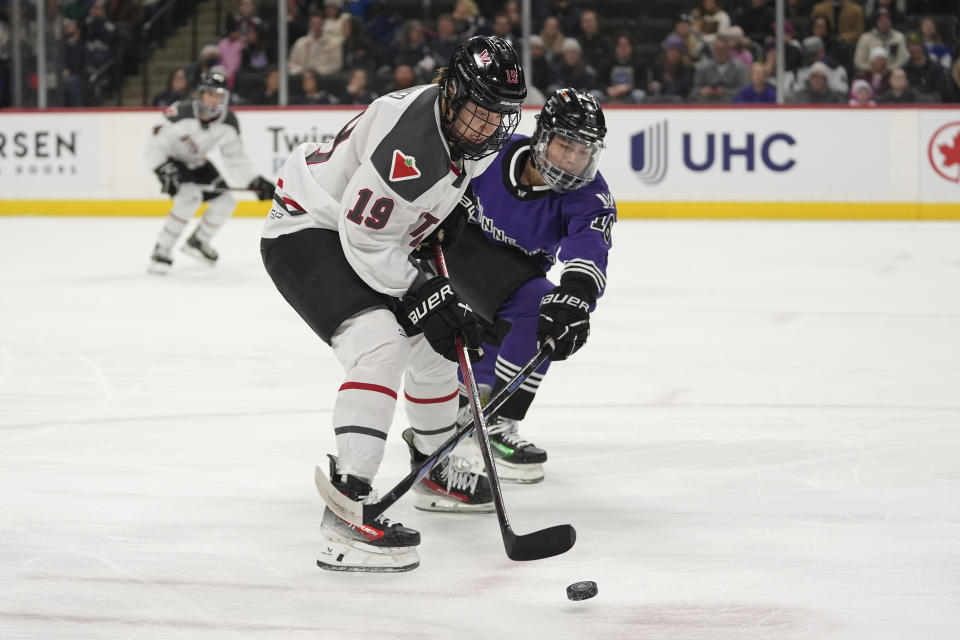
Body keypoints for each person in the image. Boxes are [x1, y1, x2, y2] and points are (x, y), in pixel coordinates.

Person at [259, 35, 526, 572]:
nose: (489, 128)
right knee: (380, 343)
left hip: (365, 229)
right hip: (309, 228)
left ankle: (434, 467)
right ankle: (347, 507)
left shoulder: (461, 129)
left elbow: (418, 215)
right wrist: (427, 294)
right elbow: (363, 238)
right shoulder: (414, 146)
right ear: (451, 94)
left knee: (437, 345)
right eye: (478, 113)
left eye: (499, 116)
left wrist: (442, 287)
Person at [443, 88, 615, 484]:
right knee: (530, 305)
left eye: (584, 151)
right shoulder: (492, 151)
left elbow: (589, 249)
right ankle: (490, 416)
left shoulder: (591, 196)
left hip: (505, 275)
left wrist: (576, 296)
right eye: (565, 145)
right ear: (542, 137)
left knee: (542, 313)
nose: (573, 160)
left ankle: (474, 408)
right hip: (451, 249)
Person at [146, 70, 274, 274]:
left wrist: (253, 181)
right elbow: (155, 144)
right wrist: (162, 168)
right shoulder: (180, 112)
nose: (215, 100)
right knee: (189, 199)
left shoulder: (228, 122)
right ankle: (161, 250)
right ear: (200, 94)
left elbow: (234, 158)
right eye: (210, 94)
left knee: (226, 202)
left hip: (197, 162)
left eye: (219, 95)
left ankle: (198, 241)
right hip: (171, 160)